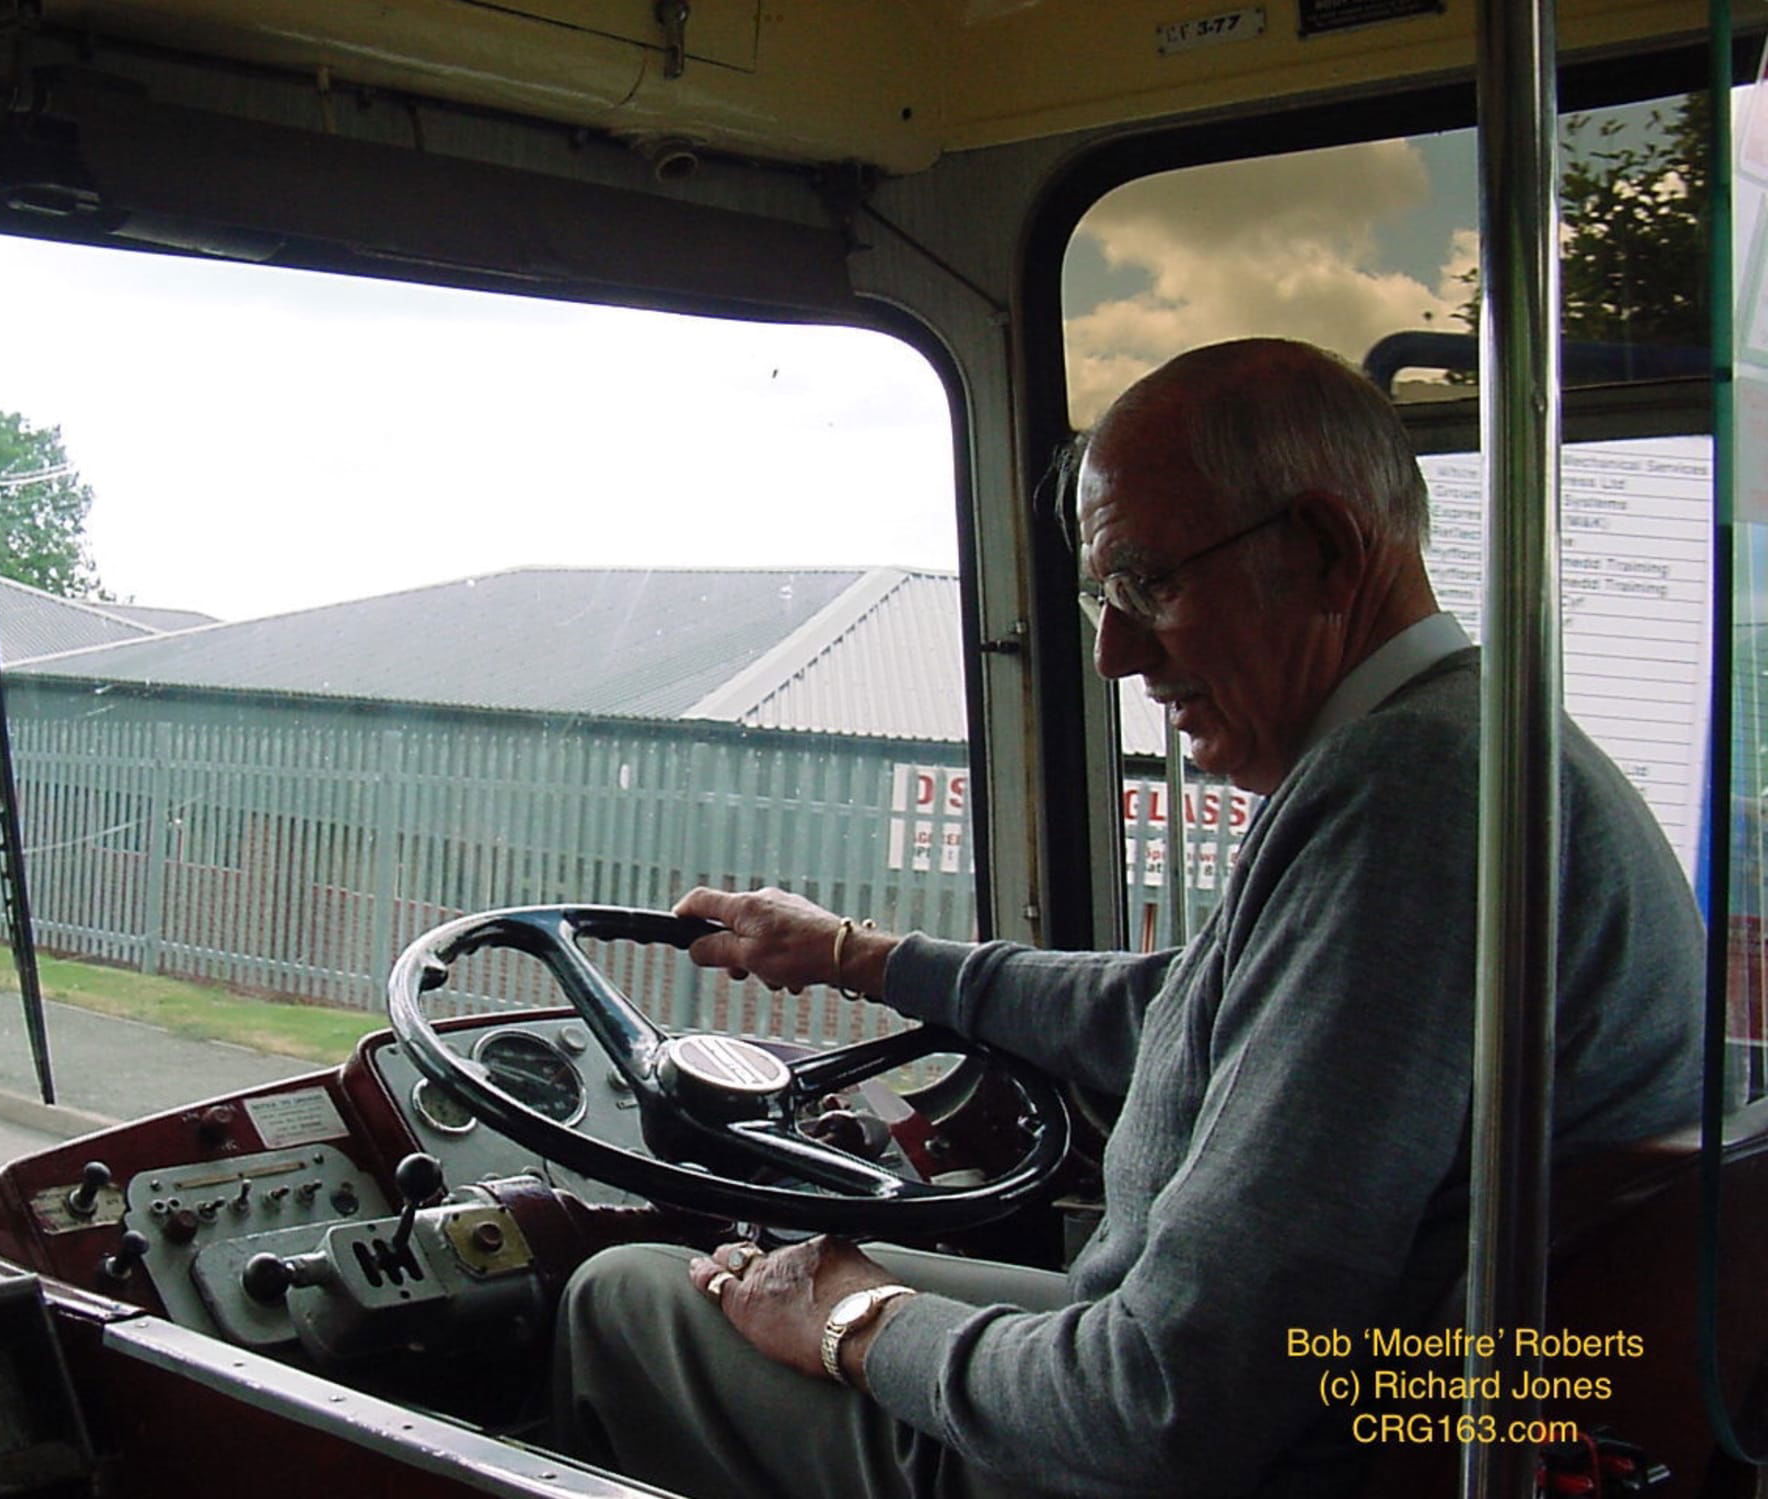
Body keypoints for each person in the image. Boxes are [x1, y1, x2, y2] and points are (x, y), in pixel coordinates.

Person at [550, 338, 1703, 1498]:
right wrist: (858, 956)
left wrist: (858, 1319)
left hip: (1245, 1454)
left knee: (628, 1296)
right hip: (1305, 1408)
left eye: (1150, 585)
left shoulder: (1403, 803)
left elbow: (1165, 1401)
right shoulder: (1457, 743)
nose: (1112, 652)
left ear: (1325, 551)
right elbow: (1187, 1010)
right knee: (781, 1272)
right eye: (1105, 597)